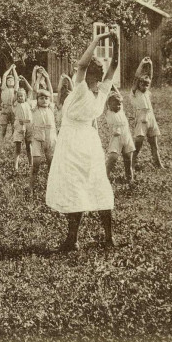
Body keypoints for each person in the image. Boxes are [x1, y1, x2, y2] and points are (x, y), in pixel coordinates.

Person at [45, 27, 120, 252]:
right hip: (90, 142)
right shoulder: (103, 90)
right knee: (96, 183)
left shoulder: (80, 89)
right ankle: (107, 237)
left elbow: (82, 65)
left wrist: (97, 39)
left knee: (74, 186)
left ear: (88, 75)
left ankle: (73, 239)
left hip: (73, 142)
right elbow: (114, 65)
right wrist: (115, 44)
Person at [131, 57, 164, 169]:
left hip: (151, 117)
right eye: (142, 84)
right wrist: (142, 63)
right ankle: (131, 164)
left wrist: (150, 64)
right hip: (141, 118)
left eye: (147, 84)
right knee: (138, 144)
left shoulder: (147, 92)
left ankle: (159, 165)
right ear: (138, 84)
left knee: (154, 144)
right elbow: (136, 77)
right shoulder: (135, 92)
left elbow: (150, 77)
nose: (144, 86)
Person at [29, 69, 56, 195]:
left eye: (46, 98)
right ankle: (31, 188)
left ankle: (51, 188)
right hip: (38, 140)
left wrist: (48, 78)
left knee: (52, 165)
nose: (44, 100)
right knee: (36, 165)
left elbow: (51, 92)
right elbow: (34, 91)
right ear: (37, 99)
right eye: (41, 98)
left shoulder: (50, 107)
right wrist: (39, 78)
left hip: (50, 140)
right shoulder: (34, 108)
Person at [104, 89, 135, 183]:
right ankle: (105, 175)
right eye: (114, 104)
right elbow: (105, 102)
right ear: (109, 105)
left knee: (128, 158)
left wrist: (114, 87)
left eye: (119, 104)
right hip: (116, 138)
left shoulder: (121, 111)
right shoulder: (108, 113)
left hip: (126, 137)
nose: (117, 106)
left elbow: (120, 98)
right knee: (112, 157)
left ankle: (130, 178)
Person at [13, 77, 33, 172]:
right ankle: (15, 166)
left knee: (29, 146)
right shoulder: (16, 104)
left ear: (25, 97)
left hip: (28, 125)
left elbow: (31, 90)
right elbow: (15, 91)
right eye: (19, 96)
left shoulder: (28, 103)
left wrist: (25, 80)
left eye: (22, 96)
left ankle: (31, 164)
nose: (20, 97)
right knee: (18, 147)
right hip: (19, 126)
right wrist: (17, 81)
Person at [0, 64, 18, 141]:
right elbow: (4, 75)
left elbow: (17, 79)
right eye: (8, 80)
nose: (10, 82)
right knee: (3, 127)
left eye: (12, 81)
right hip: (5, 108)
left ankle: (14, 141)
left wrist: (14, 69)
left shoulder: (15, 89)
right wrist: (10, 68)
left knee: (14, 126)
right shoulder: (4, 88)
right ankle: (1, 142)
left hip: (13, 108)